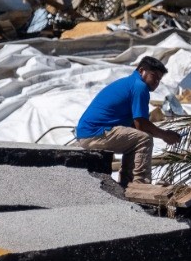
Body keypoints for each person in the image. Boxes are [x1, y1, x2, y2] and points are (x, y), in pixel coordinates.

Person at [75, 56, 181, 187]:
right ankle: (141, 184)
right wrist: (165, 135)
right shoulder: (139, 87)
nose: (156, 82)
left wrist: (161, 134)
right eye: (154, 76)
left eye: (159, 79)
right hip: (96, 133)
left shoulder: (130, 83)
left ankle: (127, 183)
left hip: (86, 133)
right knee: (144, 139)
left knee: (136, 137)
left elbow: (136, 126)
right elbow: (142, 125)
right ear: (142, 70)